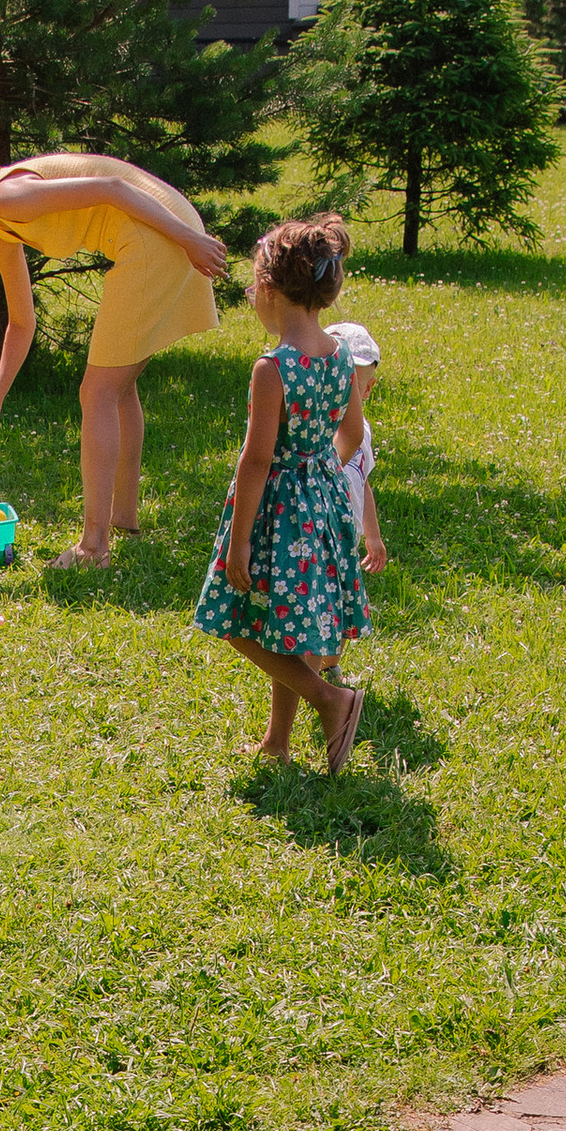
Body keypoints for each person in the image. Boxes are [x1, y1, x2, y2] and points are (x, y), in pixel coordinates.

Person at [0, 139, 231, 568]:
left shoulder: (7, 196)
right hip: (161, 229)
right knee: (118, 387)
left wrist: (188, 239)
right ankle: (123, 521)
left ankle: (93, 548)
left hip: (159, 233)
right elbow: (21, 322)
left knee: (98, 392)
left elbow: (111, 187)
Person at [193, 212, 368, 776]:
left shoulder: (273, 368)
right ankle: (277, 741)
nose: (248, 293)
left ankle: (330, 699)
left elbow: (257, 460)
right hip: (324, 503)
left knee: (230, 620)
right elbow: (353, 434)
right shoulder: (341, 354)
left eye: (250, 283)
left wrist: (238, 542)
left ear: (270, 290)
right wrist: (320, 471)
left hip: (276, 511)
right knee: (294, 622)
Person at [326, 316, 387, 580]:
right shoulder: (317, 428)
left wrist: (372, 535)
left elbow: (363, 481)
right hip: (318, 529)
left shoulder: (363, 431)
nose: (343, 393)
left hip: (348, 533)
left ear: (367, 389)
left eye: (353, 385)